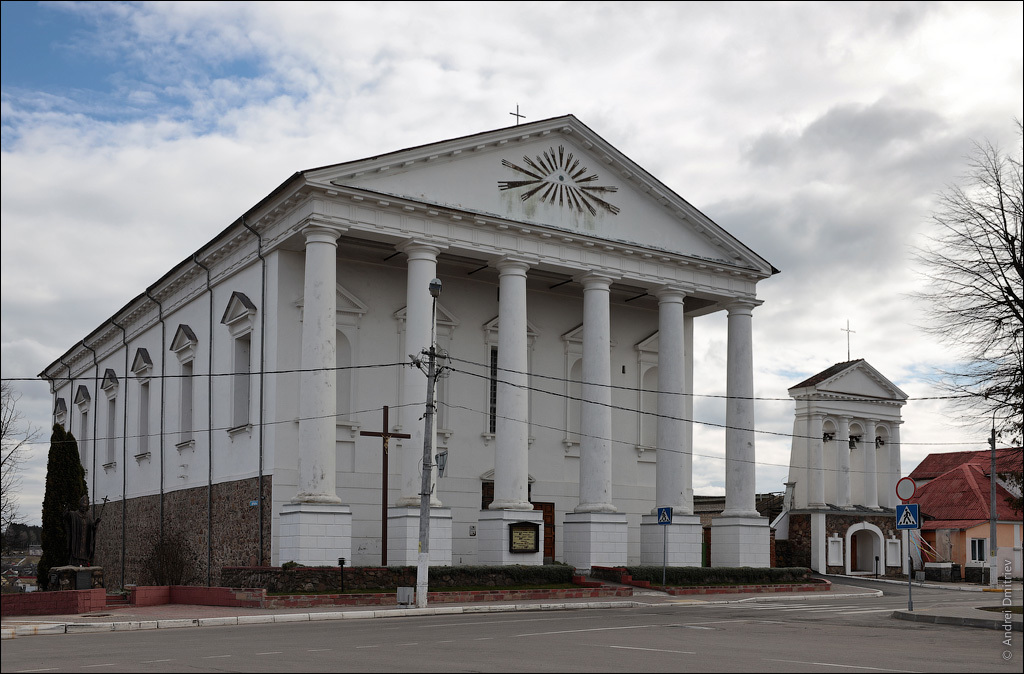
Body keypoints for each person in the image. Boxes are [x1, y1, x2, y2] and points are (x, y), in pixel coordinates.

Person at [64, 495, 101, 566]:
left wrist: (96, 523)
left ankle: (84, 563)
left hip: (85, 542)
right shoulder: (74, 514)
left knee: (85, 552)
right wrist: (67, 510)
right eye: (82, 507)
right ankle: (75, 561)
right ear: (79, 506)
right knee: (76, 551)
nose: (83, 508)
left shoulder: (89, 517)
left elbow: (92, 527)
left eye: (85, 507)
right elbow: (66, 517)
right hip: (77, 540)